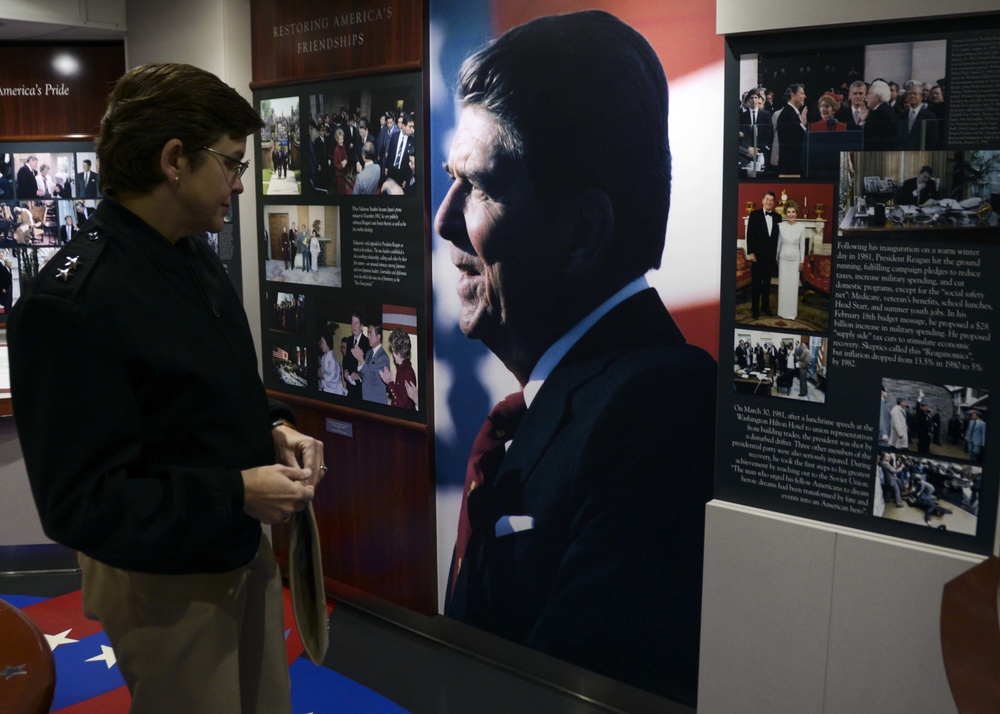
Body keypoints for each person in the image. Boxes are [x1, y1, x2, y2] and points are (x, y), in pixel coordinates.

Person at [6, 63, 326, 713]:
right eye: (232, 163)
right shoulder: (73, 303)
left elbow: (203, 388)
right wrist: (236, 489)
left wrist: (273, 425)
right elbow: (83, 504)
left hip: (236, 546)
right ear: (174, 159)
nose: (240, 185)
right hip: (166, 583)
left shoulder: (189, 251)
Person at [435, 11, 716, 705]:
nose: (443, 219)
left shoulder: (657, 414)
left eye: (478, 185)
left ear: (583, 230)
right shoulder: (563, 402)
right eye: (451, 179)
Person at [745, 191, 781, 318]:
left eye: (771, 200)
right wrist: (751, 252)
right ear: (762, 200)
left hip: (770, 257)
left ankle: (765, 308)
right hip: (757, 256)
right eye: (767, 199)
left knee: (767, 285)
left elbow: (778, 239)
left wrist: (777, 256)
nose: (769, 202)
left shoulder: (778, 217)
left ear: (774, 202)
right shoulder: (754, 215)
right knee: (756, 285)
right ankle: (755, 310)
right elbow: (749, 235)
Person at [776, 200, 805, 320]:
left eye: (793, 212)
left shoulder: (801, 227)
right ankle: (782, 311)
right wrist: (776, 257)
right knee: (783, 285)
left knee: (793, 287)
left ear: (796, 213)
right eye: (789, 212)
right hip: (783, 259)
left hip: (795, 260)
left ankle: (791, 312)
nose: (791, 214)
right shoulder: (780, 226)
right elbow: (779, 243)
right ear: (785, 213)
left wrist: (802, 261)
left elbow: (802, 246)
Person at [771, 83, 807, 175]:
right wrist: (802, 125)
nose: (804, 96)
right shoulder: (787, 114)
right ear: (793, 95)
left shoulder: (792, 112)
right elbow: (791, 141)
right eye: (802, 93)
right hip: (789, 167)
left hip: (793, 166)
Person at [379, 328, 416, 410]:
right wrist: (388, 382)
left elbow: (402, 405)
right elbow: (399, 393)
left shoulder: (407, 372)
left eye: (392, 350)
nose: (392, 353)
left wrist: (390, 383)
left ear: (397, 352)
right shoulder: (402, 367)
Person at [353, 323, 389, 404]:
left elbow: (374, 379)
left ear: (378, 337)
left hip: (376, 401)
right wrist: (359, 361)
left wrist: (361, 360)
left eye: (370, 333)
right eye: (368, 333)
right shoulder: (369, 353)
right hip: (366, 398)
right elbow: (364, 376)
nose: (368, 336)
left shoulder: (383, 357)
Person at [342, 311, 369, 401]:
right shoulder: (349, 340)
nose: (354, 326)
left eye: (356, 323)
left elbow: (368, 366)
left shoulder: (367, 343)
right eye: (352, 323)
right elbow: (345, 360)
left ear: (361, 326)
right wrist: (345, 371)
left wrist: (358, 375)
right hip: (350, 386)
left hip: (362, 388)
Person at [332, 127, 351, 195]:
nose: (342, 141)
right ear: (337, 140)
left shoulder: (343, 146)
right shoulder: (336, 150)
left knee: (344, 189)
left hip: (343, 172)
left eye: (342, 139)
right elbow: (335, 164)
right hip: (339, 174)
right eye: (340, 139)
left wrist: (345, 161)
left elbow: (346, 157)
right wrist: (342, 165)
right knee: (341, 191)